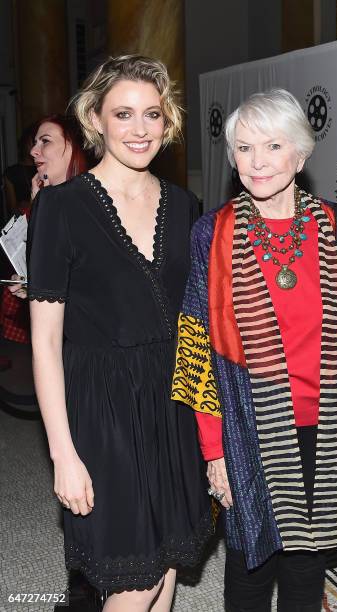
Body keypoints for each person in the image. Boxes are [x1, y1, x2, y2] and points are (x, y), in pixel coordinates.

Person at [171, 88, 337, 612]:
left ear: (300, 154)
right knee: (250, 558)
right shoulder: (212, 232)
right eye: (243, 148)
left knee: (307, 561)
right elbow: (196, 342)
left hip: (327, 420)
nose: (257, 161)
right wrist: (214, 450)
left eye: (272, 146)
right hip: (248, 425)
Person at [27, 55, 212, 611]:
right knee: (136, 580)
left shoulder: (185, 207)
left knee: (171, 562)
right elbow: (43, 341)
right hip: (103, 409)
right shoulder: (61, 207)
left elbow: (197, 324)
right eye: (123, 113)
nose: (138, 128)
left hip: (173, 402)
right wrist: (62, 452)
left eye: (151, 114)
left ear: (167, 121)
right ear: (96, 119)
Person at [3, 115, 89, 328]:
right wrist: (31, 284)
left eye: (45, 141)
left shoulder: (89, 204)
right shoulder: (49, 202)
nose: (33, 151)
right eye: (35, 143)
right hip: (60, 331)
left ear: (72, 147)